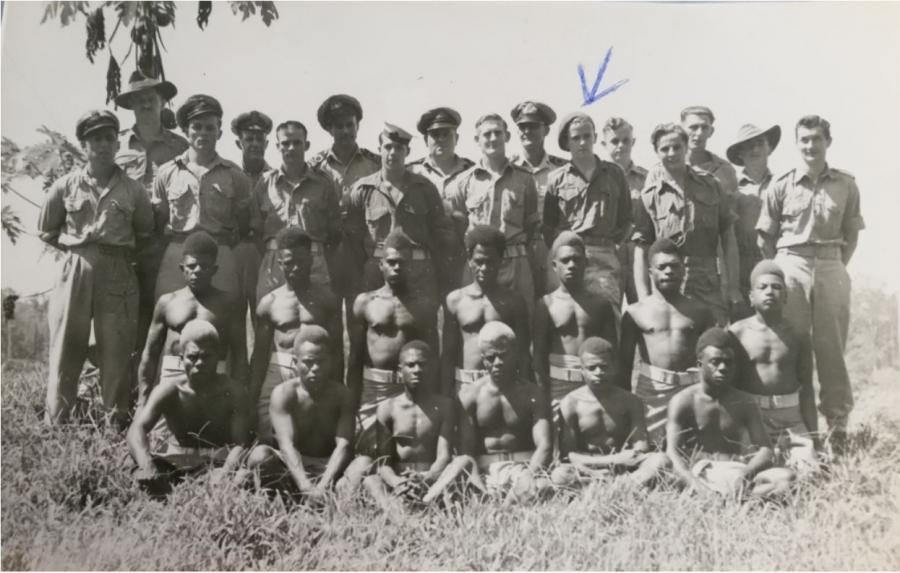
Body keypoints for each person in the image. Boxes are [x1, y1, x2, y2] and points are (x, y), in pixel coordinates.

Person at [38, 109, 153, 427]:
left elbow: (144, 233)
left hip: (117, 268)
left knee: (116, 350)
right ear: (83, 145)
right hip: (75, 266)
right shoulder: (65, 186)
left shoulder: (134, 190)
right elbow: (47, 230)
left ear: (117, 143)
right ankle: (57, 422)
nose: (102, 145)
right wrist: (79, 253)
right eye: (94, 139)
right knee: (66, 346)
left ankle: (114, 424)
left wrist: (113, 255)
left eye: (108, 138)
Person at [756, 115, 864, 453]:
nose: (810, 146)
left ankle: (838, 428)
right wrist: (789, 267)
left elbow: (851, 234)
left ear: (827, 142)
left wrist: (832, 268)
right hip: (791, 264)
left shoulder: (846, 184)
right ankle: (801, 428)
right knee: (794, 347)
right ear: (796, 143)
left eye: (816, 139)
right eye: (803, 140)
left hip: (832, 263)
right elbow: (765, 237)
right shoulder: (782, 184)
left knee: (832, 350)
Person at [665, 327, 795, 498]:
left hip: (736, 471)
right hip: (701, 473)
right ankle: (737, 499)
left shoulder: (745, 401)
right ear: (699, 364)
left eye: (729, 362)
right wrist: (696, 485)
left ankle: (732, 498)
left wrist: (745, 474)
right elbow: (672, 453)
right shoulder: (683, 401)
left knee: (787, 477)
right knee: (670, 476)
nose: (723, 367)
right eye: (715, 361)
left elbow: (766, 450)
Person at [632, 123, 741, 326]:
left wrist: (733, 287)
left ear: (686, 147)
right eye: (664, 149)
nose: (671, 153)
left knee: (712, 342)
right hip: (667, 282)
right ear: (656, 152)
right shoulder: (650, 196)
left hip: (706, 282)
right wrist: (643, 297)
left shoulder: (711, 185)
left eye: (677, 147)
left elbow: (728, 237)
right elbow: (641, 250)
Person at [152, 94, 256, 303]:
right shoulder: (167, 173)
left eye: (210, 128)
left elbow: (243, 222)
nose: (203, 133)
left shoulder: (235, 175)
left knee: (224, 319)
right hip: (178, 253)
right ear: (185, 131)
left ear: (220, 132)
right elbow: (159, 219)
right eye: (196, 127)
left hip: (220, 253)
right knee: (173, 316)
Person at [128, 320, 251, 493]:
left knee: (243, 477)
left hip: (216, 461)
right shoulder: (169, 390)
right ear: (182, 358)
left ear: (219, 356)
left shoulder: (233, 391)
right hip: (175, 460)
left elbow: (242, 442)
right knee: (134, 463)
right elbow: (137, 428)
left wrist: (225, 472)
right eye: (193, 357)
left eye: (206, 356)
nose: (199, 363)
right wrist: (146, 464)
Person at [113, 70, 188, 353]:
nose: (145, 105)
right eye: (139, 100)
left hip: (164, 244)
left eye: (151, 99)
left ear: (162, 103)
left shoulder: (180, 146)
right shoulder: (117, 145)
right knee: (124, 316)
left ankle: (157, 386)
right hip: (125, 244)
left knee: (163, 313)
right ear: (131, 105)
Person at [345, 123, 455, 312]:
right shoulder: (363, 190)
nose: (393, 152)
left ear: (407, 151)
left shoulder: (425, 188)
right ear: (379, 150)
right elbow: (353, 240)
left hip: (418, 269)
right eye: (388, 147)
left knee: (421, 328)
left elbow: (439, 235)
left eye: (399, 148)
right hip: (377, 269)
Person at [244, 327, 362, 502]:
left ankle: (332, 494)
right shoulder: (284, 393)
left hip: (328, 465)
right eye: (308, 362)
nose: (315, 368)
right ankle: (291, 499)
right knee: (259, 455)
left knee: (364, 463)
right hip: (294, 465)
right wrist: (306, 486)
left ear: (331, 362)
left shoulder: (342, 395)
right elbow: (287, 444)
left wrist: (322, 486)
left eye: (321, 362)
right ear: (295, 362)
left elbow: (344, 444)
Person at [348, 230, 440, 456]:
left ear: (412, 266)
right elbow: (354, 358)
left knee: (407, 453)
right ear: (381, 265)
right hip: (374, 388)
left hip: (408, 389)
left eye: (403, 263)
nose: (397, 267)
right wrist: (352, 406)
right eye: (391, 262)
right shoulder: (365, 302)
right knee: (368, 452)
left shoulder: (424, 305)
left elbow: (432, 356)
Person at [251, 228, 343, 443]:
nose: (295, 268)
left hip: (317, 371)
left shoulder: (327, 299)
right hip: (279, 370)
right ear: (280, 263)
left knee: (315, 437)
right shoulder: (270, 303)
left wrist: (337, 390)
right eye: (289, 262)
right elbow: (260, 354)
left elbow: (337, 352)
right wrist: (253, 396)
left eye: (301, 261)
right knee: (269, 437)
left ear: (311, 260)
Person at [620, 238, 716, 443]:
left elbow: (710, 361)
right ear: (650, 272)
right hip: (652, 393)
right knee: (650, 447)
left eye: (674, 266)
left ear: (684, 270)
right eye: (661, 267)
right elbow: (624, 367)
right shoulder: (635, 312)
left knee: (693, 447)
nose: (668, 271)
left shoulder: (701, 311)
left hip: (690, 389)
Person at [444, 322, 553, 502]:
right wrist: (477, 483)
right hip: (484, 471)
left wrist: (528, 475)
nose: (497, 363)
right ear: (482, 358)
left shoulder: (533, 394)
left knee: (543, 486)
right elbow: (466, 450)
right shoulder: (469, 395)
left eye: (503, 356)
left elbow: (545, 446)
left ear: (515, 353)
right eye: (490, 357)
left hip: (523, 468)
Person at [138, 231, 249, 405]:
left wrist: (237, 398)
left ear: (214, 270)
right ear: (182, 268)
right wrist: (142, 402)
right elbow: (150, 354)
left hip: (213, 375)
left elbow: (240, 354)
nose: (197, 271)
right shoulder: (167, 302)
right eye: (192, 266)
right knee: (162, 431)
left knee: (210, 431)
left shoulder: (228, 304)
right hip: (173, 374)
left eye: (204, 266)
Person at [729, 261, 818, 474]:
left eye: (777, 287)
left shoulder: (799, 335)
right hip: (753, 417)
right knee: (745, 469)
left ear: (786, 297)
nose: (770, 292)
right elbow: (726, 384)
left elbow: (807, 389)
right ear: (751, 297)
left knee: (809, 473)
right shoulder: (736, 333)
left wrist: (816, 438)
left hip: (790, 417)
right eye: (763, 287)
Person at [449, 114, 541, 318]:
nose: (492, 138)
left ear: (507, 136)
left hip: (515, 261)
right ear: (477, 140)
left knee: (523, 321)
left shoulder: (525, 180)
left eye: (497, 133)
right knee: (475, 320)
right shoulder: (464, 183)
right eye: (486, 134)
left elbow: (531, 225)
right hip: (479, 264)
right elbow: (459, 226)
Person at [552, 338, 670, 490]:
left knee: (660, 460)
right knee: (560, 475)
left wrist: (623, 461)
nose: (598, 373)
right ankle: (621, 487)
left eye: (604, 367)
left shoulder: (631, 401)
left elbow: (641, 447)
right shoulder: (570, 403)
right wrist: (612, 461)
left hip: (625, 467)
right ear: (581, 370)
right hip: (589, 468)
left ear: (615, 368)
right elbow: (568, 455)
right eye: (591, 368)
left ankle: (606, 487)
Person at [543, 112, 631, 307]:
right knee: (568, 315)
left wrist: (611, 244)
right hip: (568, 257)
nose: (582, 142)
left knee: (607, 315)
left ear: (595, 138)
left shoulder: (615, 173)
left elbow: (625, 219)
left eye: (587, 136)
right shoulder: (556, 179)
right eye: (576, 138)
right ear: (567, 142)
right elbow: (548, 226)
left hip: (603, 257)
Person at [362, 341, 459, 512]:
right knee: (371, 482)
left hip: (432, 476)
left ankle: (422, 505)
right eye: (410, 365)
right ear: (400, 371)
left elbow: (444, 456)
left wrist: (425, 480)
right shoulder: (387, 409)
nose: (417, 370)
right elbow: (384, 462)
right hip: (400, 478)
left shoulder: (445, 407)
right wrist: (397, 482)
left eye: (422, 365)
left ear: (432, 369)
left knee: (457, 468)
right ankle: (402, 517)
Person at [309, 94, 381, 319]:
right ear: (330, 130)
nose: (345, 131)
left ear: (358, 125)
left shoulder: (374, 163)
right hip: (327, 250)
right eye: (339, 126)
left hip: (363, 250)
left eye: (350, 124)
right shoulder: (315, 166)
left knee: (361, 316)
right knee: (328, 317)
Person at [534, 232, 617, 421]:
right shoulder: (546, 305)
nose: (571, 265)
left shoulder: (600, 305)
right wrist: (544, 397)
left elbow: (613, 353)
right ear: (555, 266)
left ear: (586, 263)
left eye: (577, 259)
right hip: (557, 384)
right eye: (565, 260)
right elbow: (538, 357)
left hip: (594, 384)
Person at [255, 120, 340, 300]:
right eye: (285, 143)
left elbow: (334, 230)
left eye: (297, 142)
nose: (291, 148)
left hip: (313, 261)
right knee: (272, 315)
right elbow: (256, 227)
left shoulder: (324, 183)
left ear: (306, 145)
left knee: (316, 319)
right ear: (277, 146)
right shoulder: (265, 183)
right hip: (275, 262)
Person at [443, 226, 531, 395]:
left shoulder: (514, 301)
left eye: (490, 261)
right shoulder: (455, 300)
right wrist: (447, 397)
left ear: (501, 260)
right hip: (466, 384)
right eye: (479, 261)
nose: (484, 268)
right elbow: (448, 355)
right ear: (469, 260)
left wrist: (524, 394)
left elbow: (523, 354)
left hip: (503, 387)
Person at [408, 107, 475, 295]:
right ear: (425, 140)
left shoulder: (473, 172)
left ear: (457, 138)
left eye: (446, 134)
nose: (441, 139)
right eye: (435, 134)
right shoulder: (411, 173)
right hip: (423, 256)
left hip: (460, 256)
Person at [509, 101, 567, 296]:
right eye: (522, 127)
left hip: (554, 247)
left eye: (533, 126)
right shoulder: (507, 169)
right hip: (520, 250)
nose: (527, 131)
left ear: (546, 130)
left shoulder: (562, 169)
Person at [725, 124, 781, 319]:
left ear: (769, 148)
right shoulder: (730, 188)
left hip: (776, 264)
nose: (755, 150)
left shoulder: (782, 184)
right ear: (740, 153)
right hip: (741, 268)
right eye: (748, 146)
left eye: (760, 144)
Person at [231, 110, 273, 329]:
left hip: (263, 255)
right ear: (240, 143)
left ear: (266, 142)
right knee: (232, 320)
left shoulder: (275, 179)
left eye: (259, 139)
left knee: (264, 318)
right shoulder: (228, 175)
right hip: (234, 252)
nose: (255, 144)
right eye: (249, 139)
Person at [600, 117, 648, 306]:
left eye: (625, 140)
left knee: (644, 309)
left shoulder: (646, 178)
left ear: (633, 141)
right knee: (609, 309)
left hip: (639, 251)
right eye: (614, 141)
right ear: (604, 144)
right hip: (610, 251)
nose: (620, 146)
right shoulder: (597, 178)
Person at [680, 106, 738, 198]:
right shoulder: (666, 168)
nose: (699, 133)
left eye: (704, 127)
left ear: (711, 131)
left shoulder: (725, 170)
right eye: (693, 127)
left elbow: (732, 208)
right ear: (681, 130)